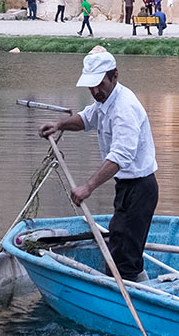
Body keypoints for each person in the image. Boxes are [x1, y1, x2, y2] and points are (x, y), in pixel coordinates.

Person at [38, 47, 158, 282]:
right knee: (122, 249)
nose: (95, 91)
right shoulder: (106, 101)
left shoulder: (124, 108)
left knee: (124, 259)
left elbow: (120, 156)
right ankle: (142, 286)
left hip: (140, 189)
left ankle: (140, 298)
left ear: (114, 76)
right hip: (126, 188)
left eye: (100, 84)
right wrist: (59, 125)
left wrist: (88, 187)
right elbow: (86, 119)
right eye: (91, 86)